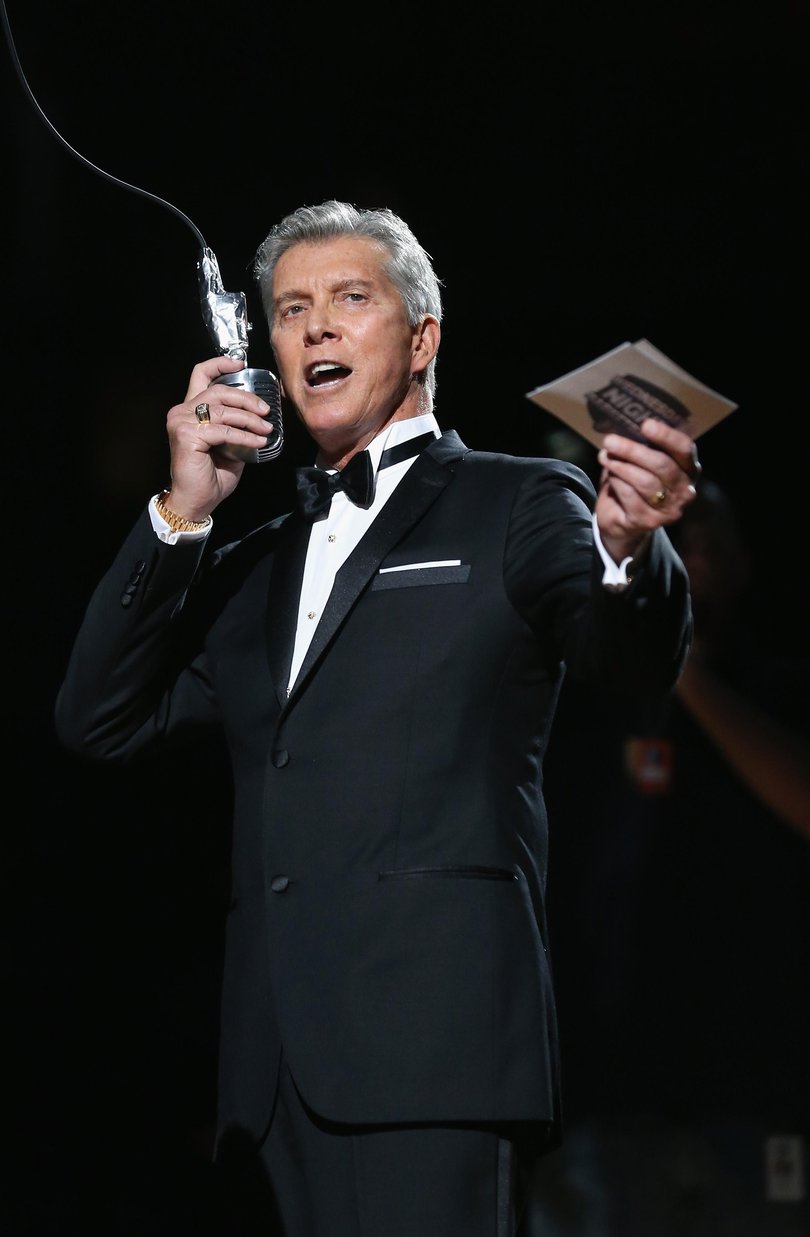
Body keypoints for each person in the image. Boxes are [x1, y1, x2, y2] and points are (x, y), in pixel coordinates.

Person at [55, 199, 700, 1237]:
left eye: (350, 299)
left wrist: (629, 550)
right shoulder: (255, 558)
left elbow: (627, 659)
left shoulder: (518, 503)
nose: (314, 327)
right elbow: (98, 718)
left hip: (433, 1063)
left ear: (422, 338)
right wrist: (181, 516)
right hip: (266, 1084)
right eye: (290, 309)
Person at [525, 479, 810, 1235]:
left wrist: (676, 658)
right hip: (603, 1095)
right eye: (668, 541)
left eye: (705, 544)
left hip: (753, 1091)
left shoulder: (779, 689)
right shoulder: (585, 693)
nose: (683, 559)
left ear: (742, 564)